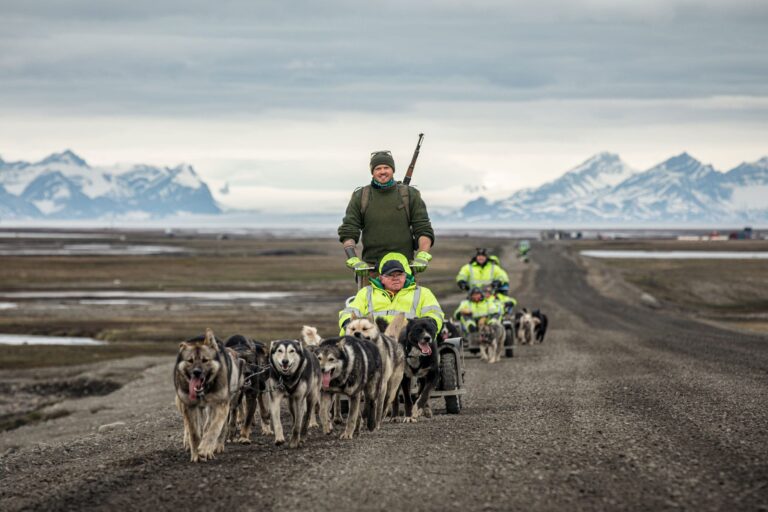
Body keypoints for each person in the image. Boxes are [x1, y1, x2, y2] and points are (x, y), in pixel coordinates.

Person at [338, 150, 435, 275]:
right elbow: (348, 230)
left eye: (386, 167)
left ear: (393, 170)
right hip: (371, 269)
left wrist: (422, 255)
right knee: (367, 296)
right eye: (378, 168)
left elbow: (423, 228)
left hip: (404, 269)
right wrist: (352, 257)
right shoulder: (361, 196)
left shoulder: (410, 195)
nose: (382, 171)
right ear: (372, 172)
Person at [339, 252, 444, 335]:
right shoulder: (366, 292)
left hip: (409, 339)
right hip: (373, 339)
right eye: (390, 275)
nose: (396, 278)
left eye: (399, 274)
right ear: (381, 278)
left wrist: (430, 325)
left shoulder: (423, 293)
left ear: (405, 276)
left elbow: (435, 314)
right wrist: (349, 324)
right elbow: (349, 312)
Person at [455, 248, 517, 314]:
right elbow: (461, 275)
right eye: (479, 256)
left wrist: (498, 282)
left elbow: (502, 276)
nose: (481, 258)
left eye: (483, 256)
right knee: (466, 310)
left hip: (489, 295)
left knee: (495, 310)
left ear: (486, 257)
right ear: (476, 257)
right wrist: (461, 282)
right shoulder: (468, 267)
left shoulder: (493, 267)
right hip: (474, 296)